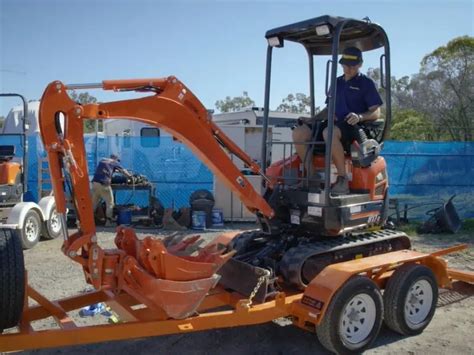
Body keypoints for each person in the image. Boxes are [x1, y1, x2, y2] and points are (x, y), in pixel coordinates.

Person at [292, 46, 383, 195]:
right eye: (345, 65)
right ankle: (312, 176)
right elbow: (329, 109)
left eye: (352, 66)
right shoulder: (337, 82)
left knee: (329, 133)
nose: (348, 69)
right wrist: (312, 119)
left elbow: (376, 111)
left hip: (353, 127)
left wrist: (360, 116)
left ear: (360, 64)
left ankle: (342, 179)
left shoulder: (366, 83)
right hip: (334, 124)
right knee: (299, 132)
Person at [91, 154, 131, 226]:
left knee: (93, 204)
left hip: (94, 183)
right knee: (110, 203)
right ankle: (108, 222)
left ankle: (88, 222)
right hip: (104, 185)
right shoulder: (114, 162)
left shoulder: (102, 160)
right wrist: (130, 176)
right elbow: (123, 171)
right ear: (116, 159)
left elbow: (105, 169)